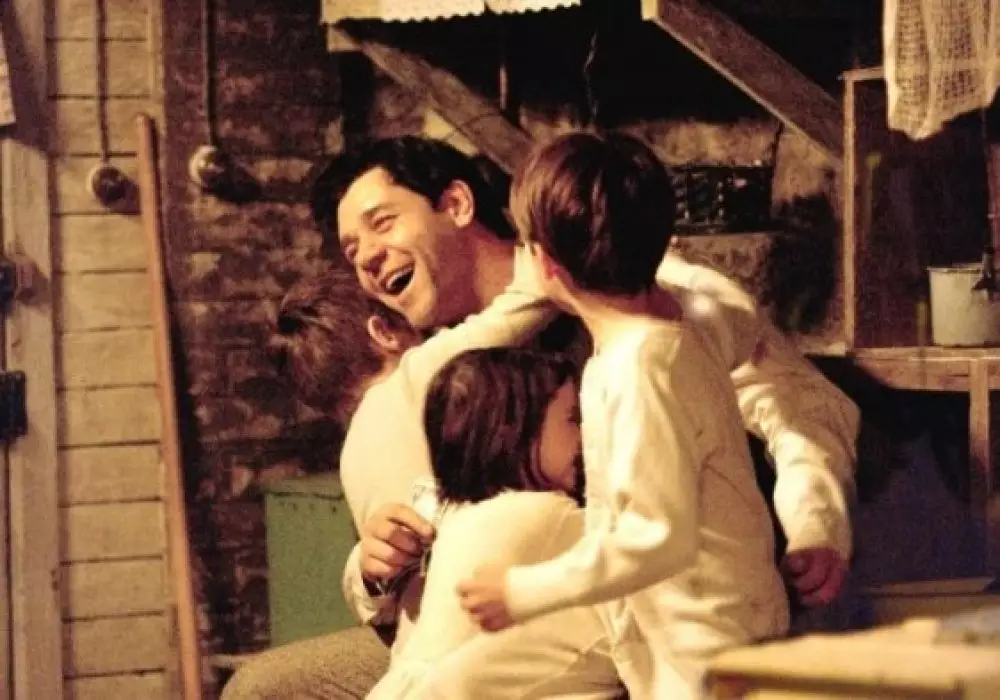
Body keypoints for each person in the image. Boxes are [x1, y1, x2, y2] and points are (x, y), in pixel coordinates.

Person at [223, 135, 859, 699]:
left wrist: (815, 522)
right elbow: (410, 528)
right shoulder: (427, 366)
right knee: (264, 686)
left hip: (630, 614)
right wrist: (370, 566)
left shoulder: (635, 287)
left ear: (457, 204)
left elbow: (797, 404)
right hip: (462, 628)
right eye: (351, 249)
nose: (365, 258)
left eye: (381, 223)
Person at [456, 131, 788, 699]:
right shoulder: (647, 347)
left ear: (544, 263)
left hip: (711, 651)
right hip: (689, 640)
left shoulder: (643, 369)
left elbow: (657, 536)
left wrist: (524, 591)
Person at [368, 347, 623, 700]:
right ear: (516, 431)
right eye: (572, 419)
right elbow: (630, 572)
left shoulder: (456, 512)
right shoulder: (548, 513)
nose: (585, 436)